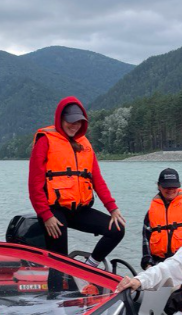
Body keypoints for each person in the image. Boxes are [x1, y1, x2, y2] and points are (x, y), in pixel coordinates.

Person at [29, 97, 126, 267]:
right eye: (70, 121)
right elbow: (34, 185)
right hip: (53, 210)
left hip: (78, 209)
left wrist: (112, 208)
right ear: (60, 119)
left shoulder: (85, 144)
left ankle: (89, 266)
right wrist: (46, 215)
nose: (74, 125)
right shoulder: (45, 140)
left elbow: (97, 180)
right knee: (59, 261)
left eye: (78, 122)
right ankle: (58, 283)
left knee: (117, 229)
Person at [141, 168, 182, 269]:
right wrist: (148, 265)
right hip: (160, 265)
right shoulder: (151, 212)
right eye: (166, 187)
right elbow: (146, 239)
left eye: (173, 186)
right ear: (159, 186)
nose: (170, 190)